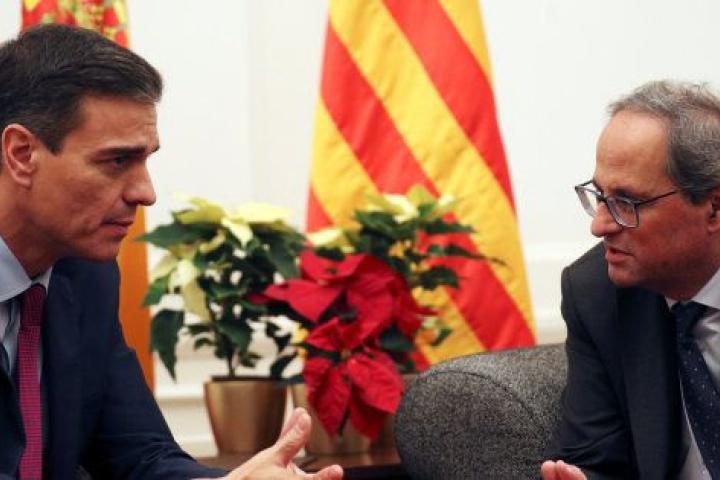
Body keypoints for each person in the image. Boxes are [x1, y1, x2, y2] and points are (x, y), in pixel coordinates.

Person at [0, 24, 343, 480]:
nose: (145, 193)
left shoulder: (85, 276)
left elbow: (139, 455)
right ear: (22, 153)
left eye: (145, 160)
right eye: (117, 161)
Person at [541, 80, 720, 479]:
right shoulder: (596, 293)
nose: (599, 225)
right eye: (599, 197)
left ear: (714, 207)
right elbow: (595, 457)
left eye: (626, 202)